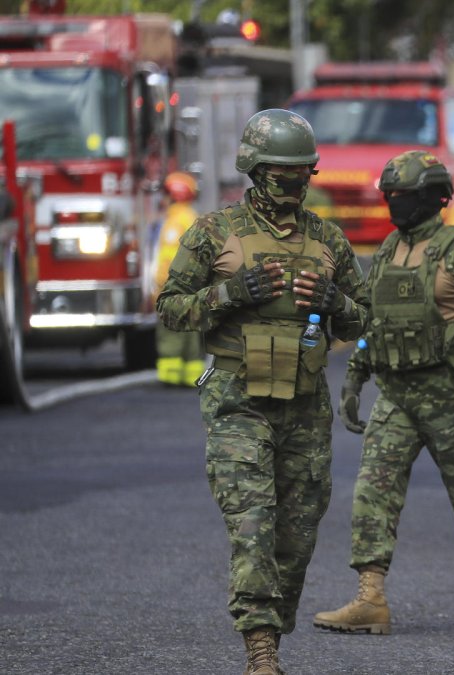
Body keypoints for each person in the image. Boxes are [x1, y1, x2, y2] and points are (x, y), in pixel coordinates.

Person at [156, 109, 368, 675]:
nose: (293, 182)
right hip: (236, 399)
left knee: (297, 535)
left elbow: (362, 320)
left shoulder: (327, 239)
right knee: (253, 523)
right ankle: (261, 650)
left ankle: (274, 627)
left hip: (304, 403)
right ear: (254, 169)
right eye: (281, 171)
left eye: (302, 171)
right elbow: (170, 309)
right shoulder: (214, 233)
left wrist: (333, 301)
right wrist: (229, 294)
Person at [312, 151, 454, 638]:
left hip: (450, 395)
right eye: (390, 197)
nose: (394, 205)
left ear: (432, 198)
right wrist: (356, 374)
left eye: (403, 196)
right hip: (397, 396)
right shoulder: (387, 251)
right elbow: (373, 320)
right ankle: (370, 598)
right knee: (372, 492)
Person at [153, 171, 205, 386]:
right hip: (192, 285)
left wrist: (161, 285)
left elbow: (169, 257)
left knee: (171, 331)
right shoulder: (193, 217)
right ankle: (192, 374)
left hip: (174, 286)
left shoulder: (175, 221)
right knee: (191, 331)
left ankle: (170, 376)